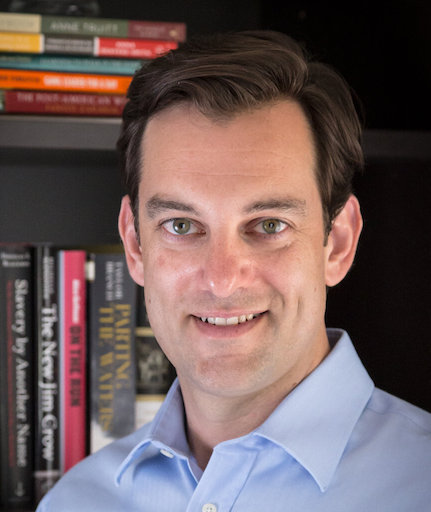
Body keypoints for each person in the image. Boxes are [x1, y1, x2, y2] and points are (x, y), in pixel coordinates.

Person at [37, 30, 431, 511]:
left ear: (339, 242)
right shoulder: (75, 503)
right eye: (181, 225)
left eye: (269, 224)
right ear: (135, 243)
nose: (222, 279)